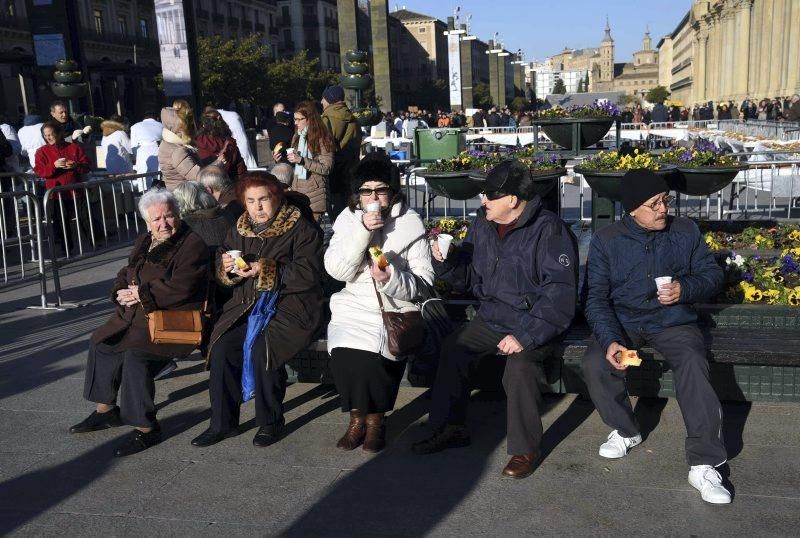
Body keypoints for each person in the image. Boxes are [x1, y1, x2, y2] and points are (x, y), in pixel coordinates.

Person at [412, 160, 579, 480]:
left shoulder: (550, 230)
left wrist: (526, 336)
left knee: (519, 366)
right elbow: (471, 279)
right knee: (454, 349)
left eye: (490, 194)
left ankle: (524, 448)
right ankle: (449, 428)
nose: (482, 200)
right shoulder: (483, 225)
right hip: (492, 317)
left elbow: (559, 295)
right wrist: (447, 263)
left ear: (513, 199)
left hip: (535, 322)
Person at [581, 169, 730, 504]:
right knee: (595, 363)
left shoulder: (685, 230)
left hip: (673, 322)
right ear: (633, 209)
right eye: (654, 204)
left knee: (692, 361)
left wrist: (685, 289)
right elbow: (595, 299)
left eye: (665, 200)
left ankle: (704, 463)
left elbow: (711, 275)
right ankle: (626, 430)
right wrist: (610, 340)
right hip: (625, 324)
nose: (663, 208)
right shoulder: (607, 241)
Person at [69, 190, 209, 457]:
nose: (164, 223)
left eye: (169, 216)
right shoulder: (146, 239)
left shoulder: (192, 244)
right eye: (157, 219)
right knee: (102, 341)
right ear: (147, 223)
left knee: (135, 357)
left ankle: (147, 428)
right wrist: (121, 290)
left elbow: (183, 286)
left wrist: (141, 293)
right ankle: (106, 411)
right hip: (138, 316)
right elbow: (126, 271)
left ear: (178, 215)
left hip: (171, 320)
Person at [191, 172, 324, 448]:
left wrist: (268, 269)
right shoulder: (239, 228)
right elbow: (222, 269)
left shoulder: (302, 228)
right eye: (250, 201)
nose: (257, 207)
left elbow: (309, 274)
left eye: (263, 199)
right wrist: (227, 269)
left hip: (291, 307)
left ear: (277, 197)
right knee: (222, 347)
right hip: (246, 306)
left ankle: (270, 421)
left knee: (263, 347)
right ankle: (222, 423)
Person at [324, 154, 433, 452]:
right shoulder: (347, 219)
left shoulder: (410, 223)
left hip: (394, 307)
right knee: (345, 354)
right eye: (366, 190)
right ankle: (357, 419)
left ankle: (375, 422)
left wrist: (390, 278)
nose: (373, 197)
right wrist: (363, 230)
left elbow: (424, 282)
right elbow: (337, 271)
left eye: (381, 189)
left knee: (373, 359)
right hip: (353, 304)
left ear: (393, 192)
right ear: (357, 194)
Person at [34, 121, 91, 255]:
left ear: (59, 134)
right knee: (61, 221)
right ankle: (67, 249)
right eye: (46, 135)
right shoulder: (42, 151)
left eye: (51, 134)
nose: (49, 137)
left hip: (75, 190)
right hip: (56, 193)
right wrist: (54, 166)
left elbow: (87, 165)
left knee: (85, 217)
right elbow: (40, 171)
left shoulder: (73, 147)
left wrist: (76, 165)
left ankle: (95, 242)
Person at [277, 101, 334, 222]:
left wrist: (302, 160)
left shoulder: (323, 137)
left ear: (310, 118)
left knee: (314, 234)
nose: (296, 123)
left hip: (315, 193)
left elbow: (326, 168)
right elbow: (295, 160)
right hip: (297, 189)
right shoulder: (297, 135)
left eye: (299, 119)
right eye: (294, 119)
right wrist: (282, 158)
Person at [158, 107, 227, 191]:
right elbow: (197, 176)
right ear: (181, 127)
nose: (193, 128)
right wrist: (217, 163)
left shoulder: (168, 143)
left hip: (180, 192)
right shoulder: (178, 150)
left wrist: (210, 160)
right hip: (186, 196)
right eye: (189, 124)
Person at [321, 84, 362, 219]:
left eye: (324, 99)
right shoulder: (353, 119)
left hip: (333, 172)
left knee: (336, 214)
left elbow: (323, 146)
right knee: (349, 211)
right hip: (350, 171)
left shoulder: (326, 119)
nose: (321, 102)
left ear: (330, 99)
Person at [196, 108, 247, 181]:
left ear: (204, 125)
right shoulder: (229, 142)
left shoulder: (198, 142)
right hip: (228, 184)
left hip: (207, 184)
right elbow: (240, 167)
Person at [130, 110, 163, 184]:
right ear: (156, 118)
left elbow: (133, 146)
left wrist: (137, 155)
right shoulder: (161, 125)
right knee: (158, 177)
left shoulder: (135, 127)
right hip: (157, 151)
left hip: (142, 154)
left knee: (143, 178)